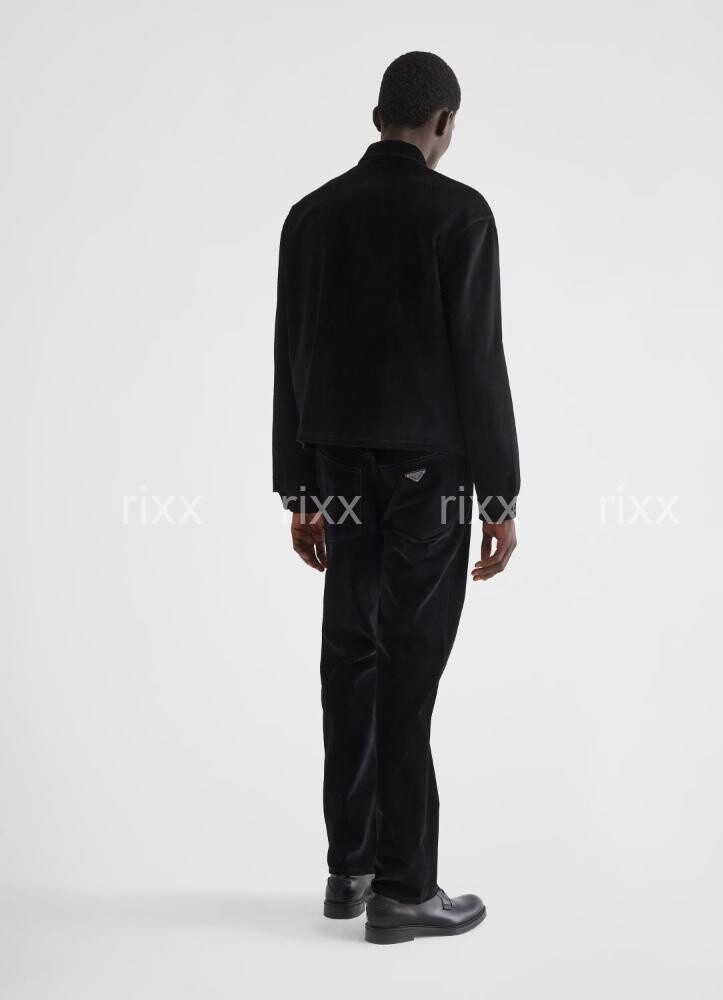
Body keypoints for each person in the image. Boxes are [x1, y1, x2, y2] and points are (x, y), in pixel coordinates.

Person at [272, 51, 520, 944]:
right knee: (409, 670)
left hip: (338, 473)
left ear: (379, 115)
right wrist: (500, 497)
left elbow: (290, 354)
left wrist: (300, 490)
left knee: (351, 660)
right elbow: (478, 359)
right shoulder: (459, 213)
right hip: (428, 479)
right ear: (443, 122)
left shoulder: (312, 215)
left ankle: (351, 869)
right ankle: (406, 888)